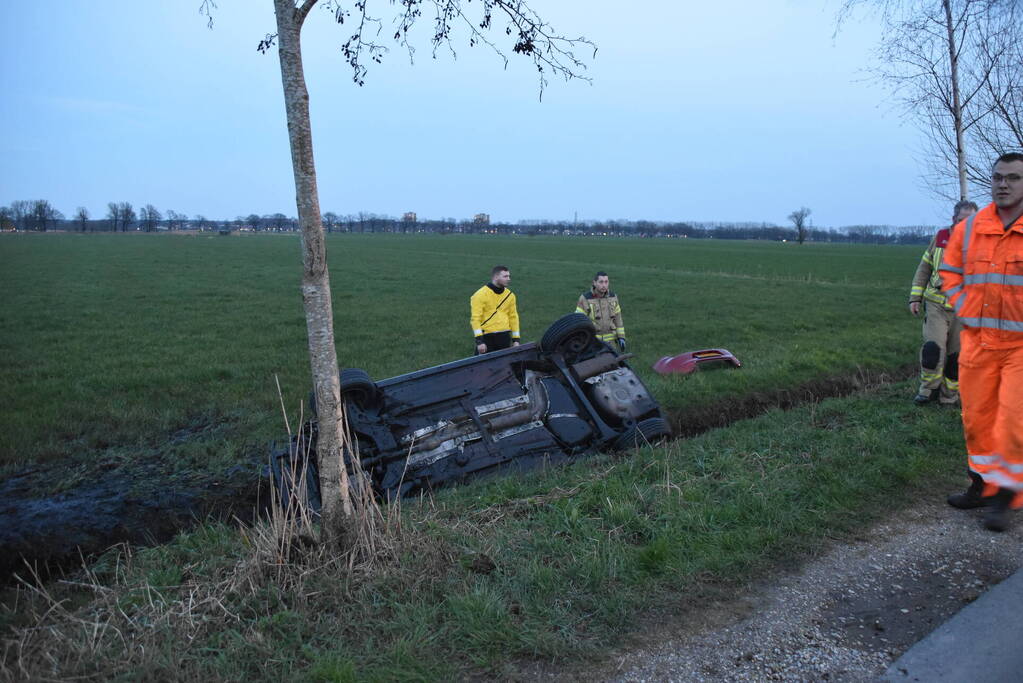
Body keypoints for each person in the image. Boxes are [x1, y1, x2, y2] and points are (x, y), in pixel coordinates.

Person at [940, 152, 1023, 531]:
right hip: (977, 342)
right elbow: (950, 273)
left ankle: (1006, 497)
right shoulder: (970, 228)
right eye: (998, 177)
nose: (1003, 184)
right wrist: (966, 311)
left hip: (1020, 345)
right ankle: (981, 486)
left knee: (1012, 419)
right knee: (976, 420)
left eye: (1013, 178)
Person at [908, 200, 978, 405]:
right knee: (932, 350)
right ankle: (928, 390)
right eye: (961, 220)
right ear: (954, 219)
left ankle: (949, 396)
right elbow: (924, 269)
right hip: (936, 303)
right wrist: (915, 297)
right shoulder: (940, 238)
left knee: (957, 357)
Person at [470, 265, 520, 354]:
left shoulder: (510, 295)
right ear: (496, 277)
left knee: (504, 367)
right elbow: (475, 319)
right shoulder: (479, 295)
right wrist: (479, 341)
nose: (509, 279)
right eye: (505, 276)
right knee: (481, 367)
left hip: (504, 338)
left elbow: (513, 318)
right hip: (486, 338)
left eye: (509, 276)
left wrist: (516, 340)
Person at [575, 271, 626, 352]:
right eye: (601, 282)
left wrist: (621, 337)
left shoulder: (613, 297)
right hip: (593, 343)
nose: (604, 285)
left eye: (606, 282)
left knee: (612, 364)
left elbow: (618, 319)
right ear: (594, 283)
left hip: (611, 344)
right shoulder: (585, 299)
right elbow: (579, 321)